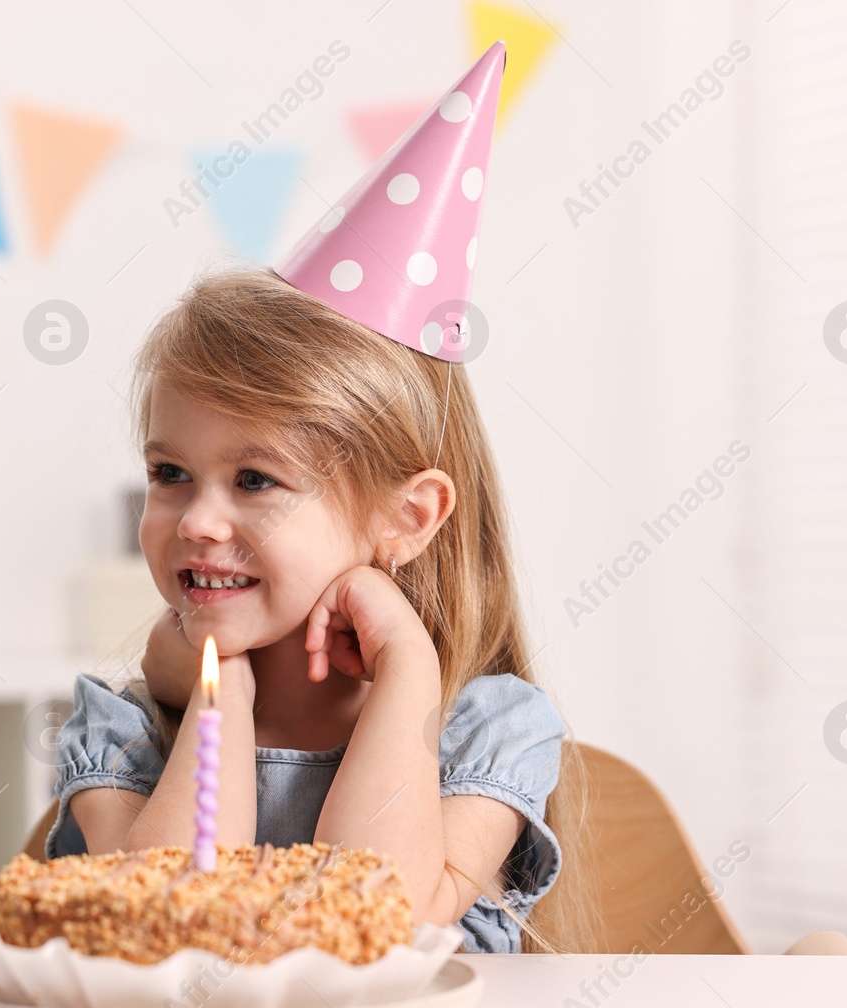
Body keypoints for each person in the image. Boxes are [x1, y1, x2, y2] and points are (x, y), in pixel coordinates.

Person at [47, 41, 591, 954]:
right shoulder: (130, 729)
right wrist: (223, 699)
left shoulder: (485, 730)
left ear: (406, 519)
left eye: (255, 479)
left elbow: (379, 916)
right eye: (170, 473)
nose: (199, 520)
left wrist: (408, 671)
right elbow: (168, 920)